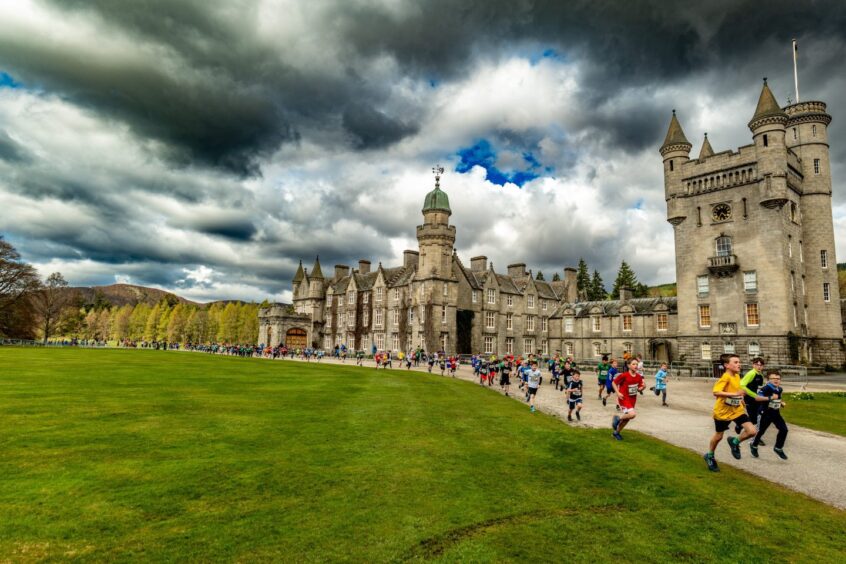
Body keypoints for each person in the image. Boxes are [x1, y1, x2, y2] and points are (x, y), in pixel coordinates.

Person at [704, 354, 759, 472]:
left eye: (739, 362)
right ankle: (710, 456)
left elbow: (737, 390)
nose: (739, 364)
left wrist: (742, 400)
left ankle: (734, 442)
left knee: (752, 431)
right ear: (726, 365)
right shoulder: (725, 377)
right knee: (719, 436)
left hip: (736, 410)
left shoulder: (737, 376)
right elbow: (716, 392)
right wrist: (734, 395)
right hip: (722, 412)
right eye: (735, 362)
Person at [750, 371, 789, 460]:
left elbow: (777, 398)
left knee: (784, 430)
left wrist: (781, 402)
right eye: (773, 379)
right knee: (760, 431)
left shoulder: (779, 389)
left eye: (778, 379)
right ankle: (754, 445)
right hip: (765, 413)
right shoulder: (765, 388)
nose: (776, 380)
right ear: (768, 380)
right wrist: (770, 398)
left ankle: (778, 448)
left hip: (775, 413)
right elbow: (757, 398)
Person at [611, 358, 645, 440]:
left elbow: (639, 389)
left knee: (628, 418)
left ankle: (616, 433)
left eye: (636, 364)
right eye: (633, 364)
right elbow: (614, 383)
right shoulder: (624, 375)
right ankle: (618, 419)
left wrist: (643, 387)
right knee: (632, 415)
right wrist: (618, 393)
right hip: (623, 398)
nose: (635, 366)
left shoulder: (638, 377)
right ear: (628, 365)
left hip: (632, 399)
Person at [737, 358, 766, 437]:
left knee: (757, 418)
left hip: (758, 399)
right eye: (757, 365)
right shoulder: (751, 373)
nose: (759, 367)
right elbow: (742, 385)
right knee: (755, 418)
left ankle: (740, 425)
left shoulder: (760, 375)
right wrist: (753, 395)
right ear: (753, 365)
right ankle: (754, 436)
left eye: (761, 365)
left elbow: (760, 387)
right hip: (750, 399)